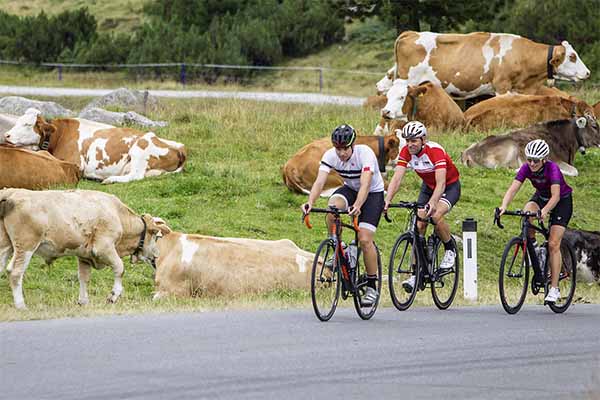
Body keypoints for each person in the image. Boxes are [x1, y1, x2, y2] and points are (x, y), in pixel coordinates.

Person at [301, 124, 384, 307]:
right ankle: (339, 246)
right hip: (350, 189)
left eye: (345, 148)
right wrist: (310, 202)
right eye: (338, 148)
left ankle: (372, 285)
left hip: (372, 193)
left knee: (364, 238)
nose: (341, 153)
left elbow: (365, 184)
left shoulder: (365, 154)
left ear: (352, 145)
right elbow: (319, 182)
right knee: (332, 208)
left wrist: (358, 206)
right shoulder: (330, 155)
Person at [384, 121, 461, 292]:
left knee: (434, 215)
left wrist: (432, 204)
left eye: (414, 141)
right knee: (418, 225)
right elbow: (397, 178)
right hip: (428, 186)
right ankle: (416, 273)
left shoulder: (435, 151)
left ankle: (450, 250)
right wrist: (387, 200)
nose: (410, 144)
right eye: (408, 140)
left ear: (423, 140)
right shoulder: (406, 152)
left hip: (449, 186)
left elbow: (441, 184)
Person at [498, 139, 573, 303]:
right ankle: (534, 250)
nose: (531, 163)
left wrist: (545, 211)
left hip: (561, 201)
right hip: (541, 197)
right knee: (527, 212)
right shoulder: (526, 167)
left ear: (544, 159)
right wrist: (503, 206)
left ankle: (554, 288)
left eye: (535, 160)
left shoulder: (552, 169)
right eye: (529, 159)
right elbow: (513, 188)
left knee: (553, 244)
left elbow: (556, 196)